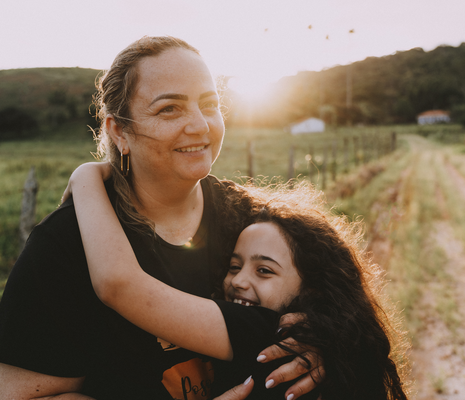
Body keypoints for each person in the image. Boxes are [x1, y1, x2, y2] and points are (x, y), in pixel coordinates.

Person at [0, 36, 319, 400]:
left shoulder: (250, 224)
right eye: (170, 109)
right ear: (119, 131)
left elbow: (329, 317)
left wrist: (324, 346)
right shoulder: (66, 245)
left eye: (209, 104)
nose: (200, 125)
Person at [65, 163, 410, 400]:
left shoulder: (263, 331)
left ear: (313, 288)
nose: (239, 281)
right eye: (234, 266)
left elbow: (117, 284)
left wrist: (85, 178)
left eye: (264, 270)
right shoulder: (330, 346)